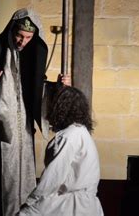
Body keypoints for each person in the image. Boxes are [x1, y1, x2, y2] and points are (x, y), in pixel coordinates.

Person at [0, 8, 68, 216]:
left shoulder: (30, 57)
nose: (22, 41)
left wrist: (57, 87)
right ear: (11, 30)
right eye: (19, 36)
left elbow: (37, 91)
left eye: (28, 38)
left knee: (24, 188)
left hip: (23, 138)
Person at [18, 86, 104, 216]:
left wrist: (30, 202)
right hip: (87, 206)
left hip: (71, 206)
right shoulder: (81, 132)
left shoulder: (69, 136)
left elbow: (54, 175)